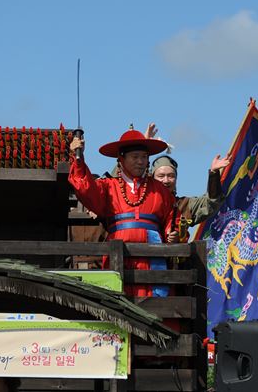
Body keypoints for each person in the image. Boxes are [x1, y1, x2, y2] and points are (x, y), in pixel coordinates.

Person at [68, 125, 177, 297]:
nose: (140, 161)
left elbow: (170, 217)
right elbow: (85, 189)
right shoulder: (108, 187)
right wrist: (79, 159)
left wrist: (171, 232)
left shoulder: (159, 190)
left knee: (154, 303)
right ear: (121, 159)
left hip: (151, 254)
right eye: (135, 157)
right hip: (118, 253)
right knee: (116, 300)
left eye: (144, 157)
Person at [151, 154, 230, 242]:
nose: (166, 180)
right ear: (152, 178)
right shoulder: (143, 203)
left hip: (177, 254)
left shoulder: (185, 204)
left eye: (171, 176)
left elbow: (212, 201)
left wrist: (214, 173)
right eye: (161, 176)